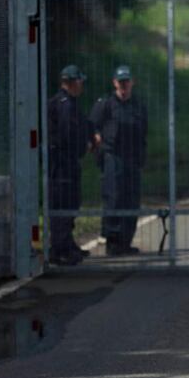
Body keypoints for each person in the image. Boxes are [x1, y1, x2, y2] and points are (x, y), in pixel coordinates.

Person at [89, 65, 148, 256]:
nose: (124, 85)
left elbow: (144, 132)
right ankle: (113, 242)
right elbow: (92, 127)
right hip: (113, 158)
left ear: (132, 82)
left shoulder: (137, 105)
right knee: (114, 199)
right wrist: (96, 140)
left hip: (132, 158)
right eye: (120, 82)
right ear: (115, 83)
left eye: (127, 82)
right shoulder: (105, 104)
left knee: (131, 200)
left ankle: (125, 242)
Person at [48, 64, 92, 265]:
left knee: (71, 203)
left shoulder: (70, 103)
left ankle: (67, 243)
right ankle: (59, 250)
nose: (82, 84)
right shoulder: (65, 105)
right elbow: (67, 136)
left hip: (68, 163)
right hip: (62, 165)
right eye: (80, 80)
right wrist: (83, 146)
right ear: (73, 82)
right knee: (63, 206)